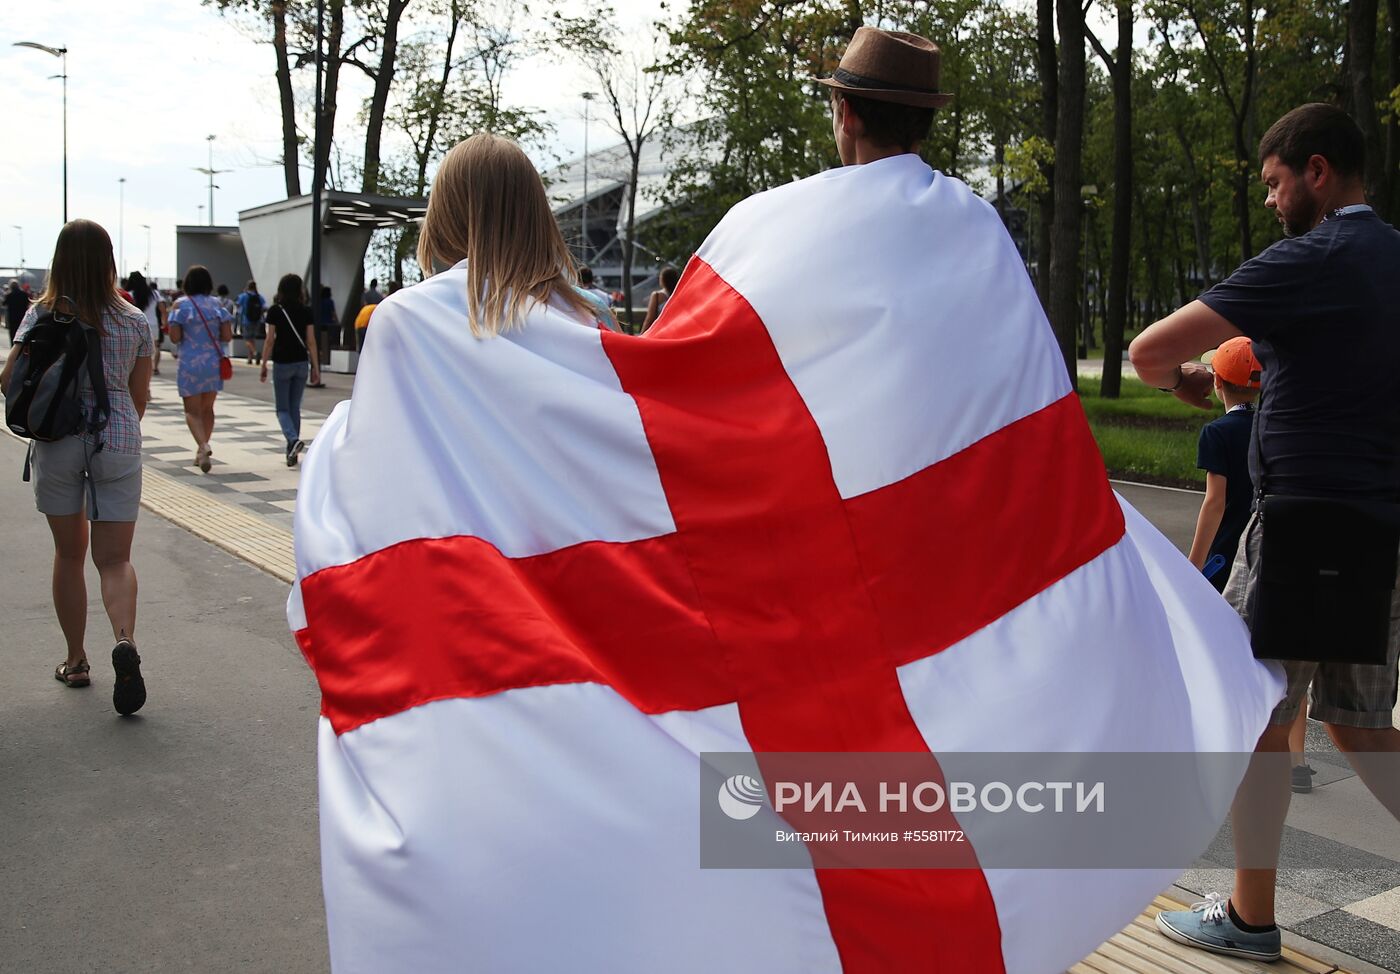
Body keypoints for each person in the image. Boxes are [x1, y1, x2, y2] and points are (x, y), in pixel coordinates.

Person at [290, 37, 1281, 971]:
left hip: (529, 700)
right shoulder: (971, 234)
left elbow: (672, 420)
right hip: (900, 583)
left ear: (842, 113)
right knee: (862, 803)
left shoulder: (755, 234)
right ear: (921, 121)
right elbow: (1009, 432)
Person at [1137, 103, 1400, 962]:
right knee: (1362, 724)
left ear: (1317, 171)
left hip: (1298, 530)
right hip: (1379, 524)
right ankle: (1248, 914)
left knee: (1260, 717)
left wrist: (1192, 373)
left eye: (1277, 185)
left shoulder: (1307, 259)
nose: (1273, 203)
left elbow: (1147, 353)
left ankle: (1251, 918)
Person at [0, 219, 151, 716]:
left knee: (69, 555)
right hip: (118, 441)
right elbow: (139, 395)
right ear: (109, 259)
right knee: (114, 560)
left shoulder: (40, 313)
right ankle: (124, 642)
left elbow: (8, 380)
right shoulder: (135, 320)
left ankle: (76, 660)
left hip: (58, 440)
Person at [1185, 336, 1260, 593]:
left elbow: (1215, 502)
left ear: (1217, 381)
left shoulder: (1216, 432)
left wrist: (1194, 564)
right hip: (1262, 547)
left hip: (1227, 552)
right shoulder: (1271, 427)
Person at [167, 265, 232, 472]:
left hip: (189, 364)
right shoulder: (217, 305)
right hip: (212, 362)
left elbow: (175, 337)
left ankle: (203, 446)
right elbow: (227, 336)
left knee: (191, 411)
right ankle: (201, 449)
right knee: (207, 409)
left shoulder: (180, 305)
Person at [260, 272, 320, 466]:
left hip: (282, 363)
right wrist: (316, 367)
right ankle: (291, 453)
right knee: (294, 407)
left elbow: (269, 341)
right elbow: (311, 342)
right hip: (302, 363)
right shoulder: (306, 311)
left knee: (282, 409)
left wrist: (263, 363)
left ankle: (293, 441)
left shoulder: (275, 311)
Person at [127, 271, 166, 376]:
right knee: (156, 347)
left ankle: (138, 370)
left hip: (136, 325)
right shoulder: (154, 293)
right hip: (153, 324)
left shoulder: (130, 294)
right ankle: (155, 368)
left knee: (137, 349)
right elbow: (162, 308)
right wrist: (164, 322)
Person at [640, 266, 679, 332]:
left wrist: (642, 335)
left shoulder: (657, 295)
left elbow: (649, 318)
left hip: (660, 331)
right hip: (676, 330)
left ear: (663, 280)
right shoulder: (679, 294)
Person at [236, 280, 266, 364]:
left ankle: (255, 353)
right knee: (252, 339)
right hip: (257, 321)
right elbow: (265, 307)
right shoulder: (259, 296)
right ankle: (250, 358)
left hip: (246, 320)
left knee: (247, 340)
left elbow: (238, 304)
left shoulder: (244, 296)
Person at [4, 278, 31, 344]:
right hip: (22, 316)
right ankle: (20, 346)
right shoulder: (24, 294)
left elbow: (4, 303)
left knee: (12, 333)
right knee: (22, 333)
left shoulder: (9, 295)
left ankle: (13, 346)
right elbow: (28, 304)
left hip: (12, 317)